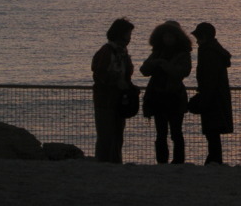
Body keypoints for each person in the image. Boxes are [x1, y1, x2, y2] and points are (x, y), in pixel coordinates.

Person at [140, 21, 193, 164]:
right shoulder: (157, 52)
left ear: (177, 37)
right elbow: (144, 70)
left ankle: (178, 161)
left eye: (171, 37)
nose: (168, 39)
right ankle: (161, 161)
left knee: (176, 132)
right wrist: (155, 63)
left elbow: (183, 72)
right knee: (161, 133)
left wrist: (165, 65)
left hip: (175, 97)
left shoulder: (183, 54)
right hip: (158, 97)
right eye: (165, 36)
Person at [92, 18, 135, 163]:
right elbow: (99, 73)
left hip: (118, 100)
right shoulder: (107, 51)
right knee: (106, 136)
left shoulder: (122, 52)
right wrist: (117, 81)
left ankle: (115, 162)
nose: (130, 38)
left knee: (117, 135)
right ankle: (103, 163)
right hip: (105, 100)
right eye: (128, 34)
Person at [191, 22, 233, 165]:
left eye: (198, 37)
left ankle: (214, 160)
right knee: (213, 133)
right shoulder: (214, 50)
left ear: (204, 36)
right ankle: (214, 160)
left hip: (212, 98)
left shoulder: (208, 52)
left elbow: (209, 79)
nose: (196, 40)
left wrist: (203, 99)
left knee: (212, 132)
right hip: (217, 97)